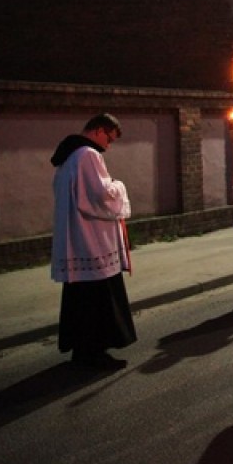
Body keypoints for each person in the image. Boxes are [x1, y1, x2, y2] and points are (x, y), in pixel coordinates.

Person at [50, 113, 136, 370]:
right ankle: (95, 354)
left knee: (81, 300)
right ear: (100, 130)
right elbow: (101, 195)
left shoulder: (67, 157)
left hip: (76, 239)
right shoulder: (88, 155)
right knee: (98, 300)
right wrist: (119, 185)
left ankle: (82, 350)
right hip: (92, 241)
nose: (108, 145)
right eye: (109, 139)